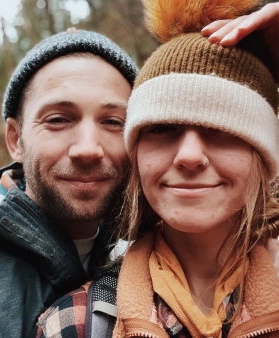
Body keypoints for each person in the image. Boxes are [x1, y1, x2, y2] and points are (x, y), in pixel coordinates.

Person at [37, 1, 279, 337]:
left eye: (222, 128)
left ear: (265, 154)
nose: (190, 156)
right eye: (163, 129)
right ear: (135, 156)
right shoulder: (75, 323)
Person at [0, 29, 138, 338]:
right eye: (58, 120)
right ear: (15, 140)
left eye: (113, 122)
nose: (88, 148)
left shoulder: (157, 246)